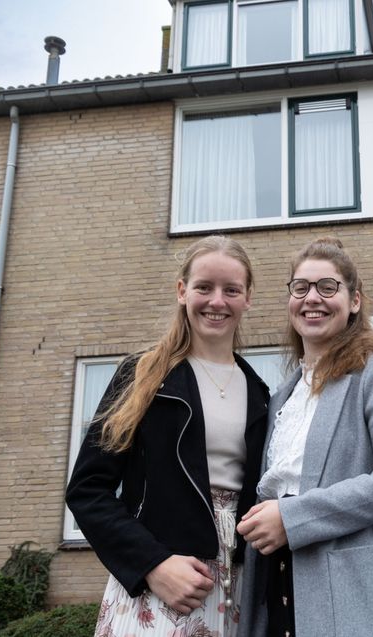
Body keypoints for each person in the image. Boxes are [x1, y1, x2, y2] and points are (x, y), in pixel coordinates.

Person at [66, 236, 269, 637]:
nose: (217, 301)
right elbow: (87, 491)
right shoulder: (142, 377)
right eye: (204, 287)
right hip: (158, 586)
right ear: (182, 291)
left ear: (247, 298)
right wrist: (153, 565)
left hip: (239, 590)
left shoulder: (261, 392)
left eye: (231, 290)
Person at [236, 237, 373, 637]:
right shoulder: (282, 396)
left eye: (328, 287)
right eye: (301, 287)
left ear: (354, 300)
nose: (312, 299)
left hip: (353, 594)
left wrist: (292, 517)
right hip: (276, 582)